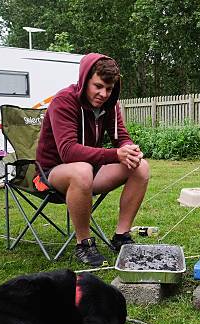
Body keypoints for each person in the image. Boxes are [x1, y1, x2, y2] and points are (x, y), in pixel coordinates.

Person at [36, 53, 149, 267]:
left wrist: (128, 149)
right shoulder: (64, 101)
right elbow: (68, 152)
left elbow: (121, 137)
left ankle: (121, 236)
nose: (103, 94)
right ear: (84, 78)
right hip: (50, 173)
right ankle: (84, 243)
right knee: (81, 170)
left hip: (90, 172)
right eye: (98, 86)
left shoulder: (110, 104)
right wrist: (115, 154)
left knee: (140, 167)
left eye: (108, 89)